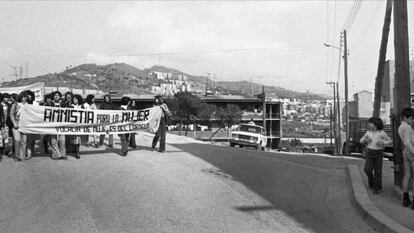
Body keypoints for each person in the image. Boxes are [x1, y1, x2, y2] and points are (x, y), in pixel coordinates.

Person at [360, 117, 392, 195]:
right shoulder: (368, 133)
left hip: (379, 153)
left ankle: (377, 188)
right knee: (367, 169)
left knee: (378, 171)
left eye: (370, 123)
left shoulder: (381, 133)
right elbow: (361, 140)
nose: (368, 125)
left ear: (375, 124)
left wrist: (383, 142)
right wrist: (365, 140)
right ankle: (372, 182)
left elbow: (390, 141)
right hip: (370, 153)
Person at [398, 107, 414, 207]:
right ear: (405, 117)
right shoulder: (407, 127)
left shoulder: (400, 127)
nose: (412, 120)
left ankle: (405, 199)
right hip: (411, 151)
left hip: (405, 152)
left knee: (407, 175)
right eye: (411, 118)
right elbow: (407, 142)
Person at [9, 92, 28, 161]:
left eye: (25, 97)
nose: (24, 98)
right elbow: (11, 114)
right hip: (16, 124)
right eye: (23, 97)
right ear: (20, 97)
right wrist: (14, 123)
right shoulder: (15, 105)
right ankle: (16, 156)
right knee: (17, 140)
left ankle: (22, 156)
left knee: (24, 141)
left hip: (25, 125)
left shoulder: (28, 105)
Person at [49, 91, 67, 160]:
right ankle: (56, 155)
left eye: (58, 95)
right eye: (55, 95)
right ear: (53, 96)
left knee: (62, 139)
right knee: (54, 140)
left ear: (60, 97)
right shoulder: (50, 104)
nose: (56, 96)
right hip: (52, 124)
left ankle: (63, 154)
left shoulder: (63, 104)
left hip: (61, 124)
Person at [70, 95, 83, 159]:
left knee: (78, 138)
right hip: (74, 124)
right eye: (73, 99)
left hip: (80, 124)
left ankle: (76, 150)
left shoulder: (81, 106)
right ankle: (77, 152)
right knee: (75, 138)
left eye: (75, 99)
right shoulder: (72, 106)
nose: (74, 100)